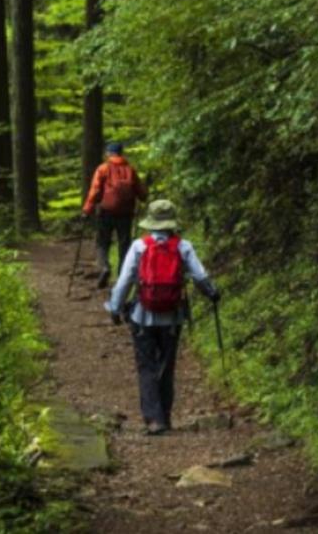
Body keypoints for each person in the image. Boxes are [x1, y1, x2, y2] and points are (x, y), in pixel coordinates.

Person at [105, 199, 220, 435]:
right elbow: (200, 276)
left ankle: (153, 420)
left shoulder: (139, 246)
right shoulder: (183, 246)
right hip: (172, 318)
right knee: (167, 366)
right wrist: (212, 293)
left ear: (151, 222)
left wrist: (115, 308)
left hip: (142, 317)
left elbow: (125, 280)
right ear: (172, 222)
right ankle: (165, 416)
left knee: (146, 366)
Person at [82, 142, 148, 288]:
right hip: (126, 214)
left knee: (102, 242)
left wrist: (87, 209)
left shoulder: (103, 168)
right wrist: (144, 194)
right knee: (124, 245)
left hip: (106, 211)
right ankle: (122, 277)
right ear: (121, 153)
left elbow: (95, 190)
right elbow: (142, 193)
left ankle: (104, 267)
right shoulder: (130, 169)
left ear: (108, 153)